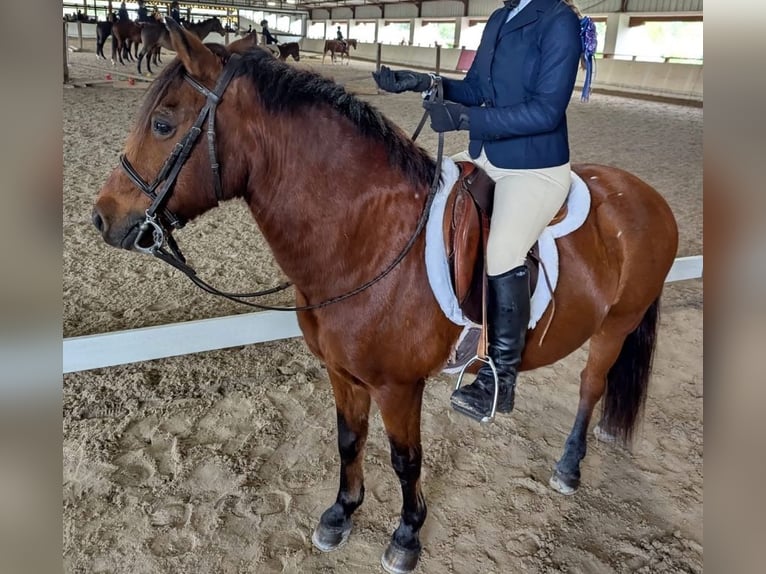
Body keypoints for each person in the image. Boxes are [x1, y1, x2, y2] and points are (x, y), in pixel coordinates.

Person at [373, 0, 586, 421]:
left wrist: (467, 119)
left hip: (533, 167)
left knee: (504, 252)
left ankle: (498, 378)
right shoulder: (499, 17)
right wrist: (426, 82)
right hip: (486, 157)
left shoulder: (558, 20)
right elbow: (476, 88)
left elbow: (547, 110)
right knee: (422, 201)